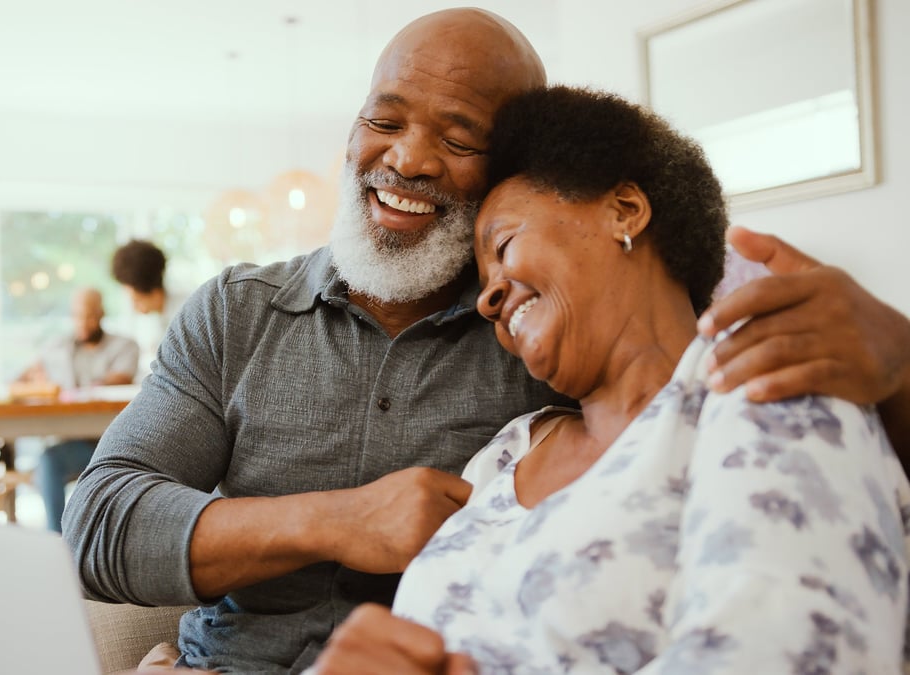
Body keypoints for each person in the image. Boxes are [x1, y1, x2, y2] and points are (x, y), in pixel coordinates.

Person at [65, 9, 910, 672]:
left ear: (504, 168)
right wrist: (339, 520)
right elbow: (100, 525)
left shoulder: (554, 325)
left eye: (459, 137)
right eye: (383, 118)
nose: (408, 157)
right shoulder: (237, 312)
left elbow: (705, 322)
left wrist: (902, 365)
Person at [312, 86, 910, 674]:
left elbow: (789, 653)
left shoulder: (757, 373)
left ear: (624, 211)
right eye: (482, 280)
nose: (489, 299)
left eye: (504, 245)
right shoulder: (506, 453)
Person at [22, 287, 140, 533]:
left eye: (88, 316)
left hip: (112, 444)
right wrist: (37, 380)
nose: (82, 323)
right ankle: (57, 543)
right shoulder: (59, 347)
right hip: (73, 443)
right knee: (48, 461)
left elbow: (120, 379)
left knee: (48, 464)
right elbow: (23, 377)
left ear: (101, 313)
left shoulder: (124, 346)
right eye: (76, 316)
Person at [110, 239, 187, 378]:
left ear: (152, 291)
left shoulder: (185, 313)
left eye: (136, 300)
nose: (134, 307)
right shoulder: (159, 319)